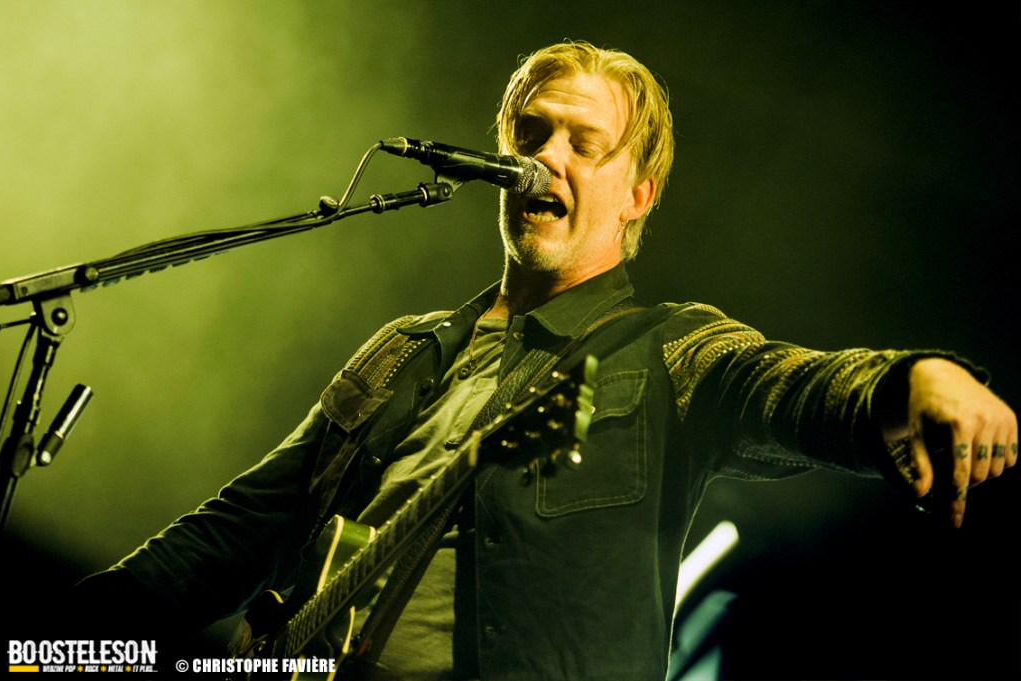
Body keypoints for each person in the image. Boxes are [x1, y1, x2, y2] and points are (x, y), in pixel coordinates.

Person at [66, 40, 1016, 680]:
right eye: (530, 135)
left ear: (638, 194)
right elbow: (230, 535)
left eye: (582, 144)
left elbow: (786, 385)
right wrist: (46, 646)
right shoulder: (403, 350)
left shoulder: (669, 348)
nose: (544, 159)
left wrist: (910, 379)